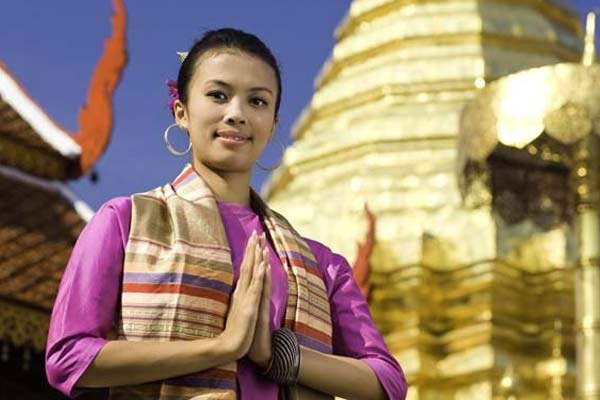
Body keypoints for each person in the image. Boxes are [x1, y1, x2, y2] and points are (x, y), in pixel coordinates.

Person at [45, 28, 407, 400]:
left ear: (274, 126)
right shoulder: (125, 222)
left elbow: (388, 382)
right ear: (181, 112)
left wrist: (278, 354)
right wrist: (223, 346)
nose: (236, 114)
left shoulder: (321, 265)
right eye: (218, 95)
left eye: (258, 102)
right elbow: (68, 358)